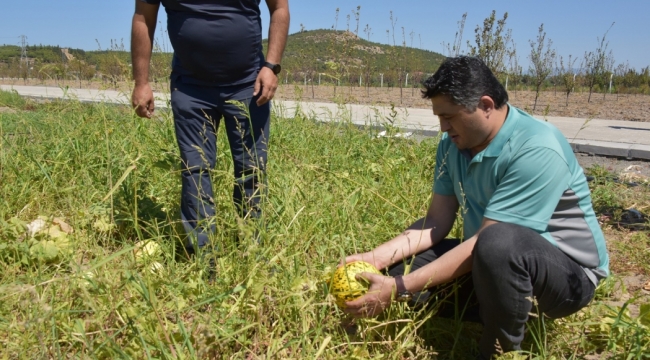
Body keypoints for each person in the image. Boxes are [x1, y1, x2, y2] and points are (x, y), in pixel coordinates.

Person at [342, 56, 609, 359]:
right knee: (394, 268)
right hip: (490, 260)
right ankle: (504, 306)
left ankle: (501, 350)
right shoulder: (454, 145)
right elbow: (435, 221)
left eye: (450, 117)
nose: (443, 128)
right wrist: (372, 259)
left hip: (568, 277)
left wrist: (400, 287)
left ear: (485, 105)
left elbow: (488, 241)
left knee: (497, 244)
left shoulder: (536, 147)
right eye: (439, 117)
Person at [130, 0, 290, 255]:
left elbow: (280, 8)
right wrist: (141, 82)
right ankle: (204, 260)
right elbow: (143, 17)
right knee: (195, 169)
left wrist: (271, 66)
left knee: (251, 167)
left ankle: (252, 252)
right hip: (191, 89)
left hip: (248, 85)